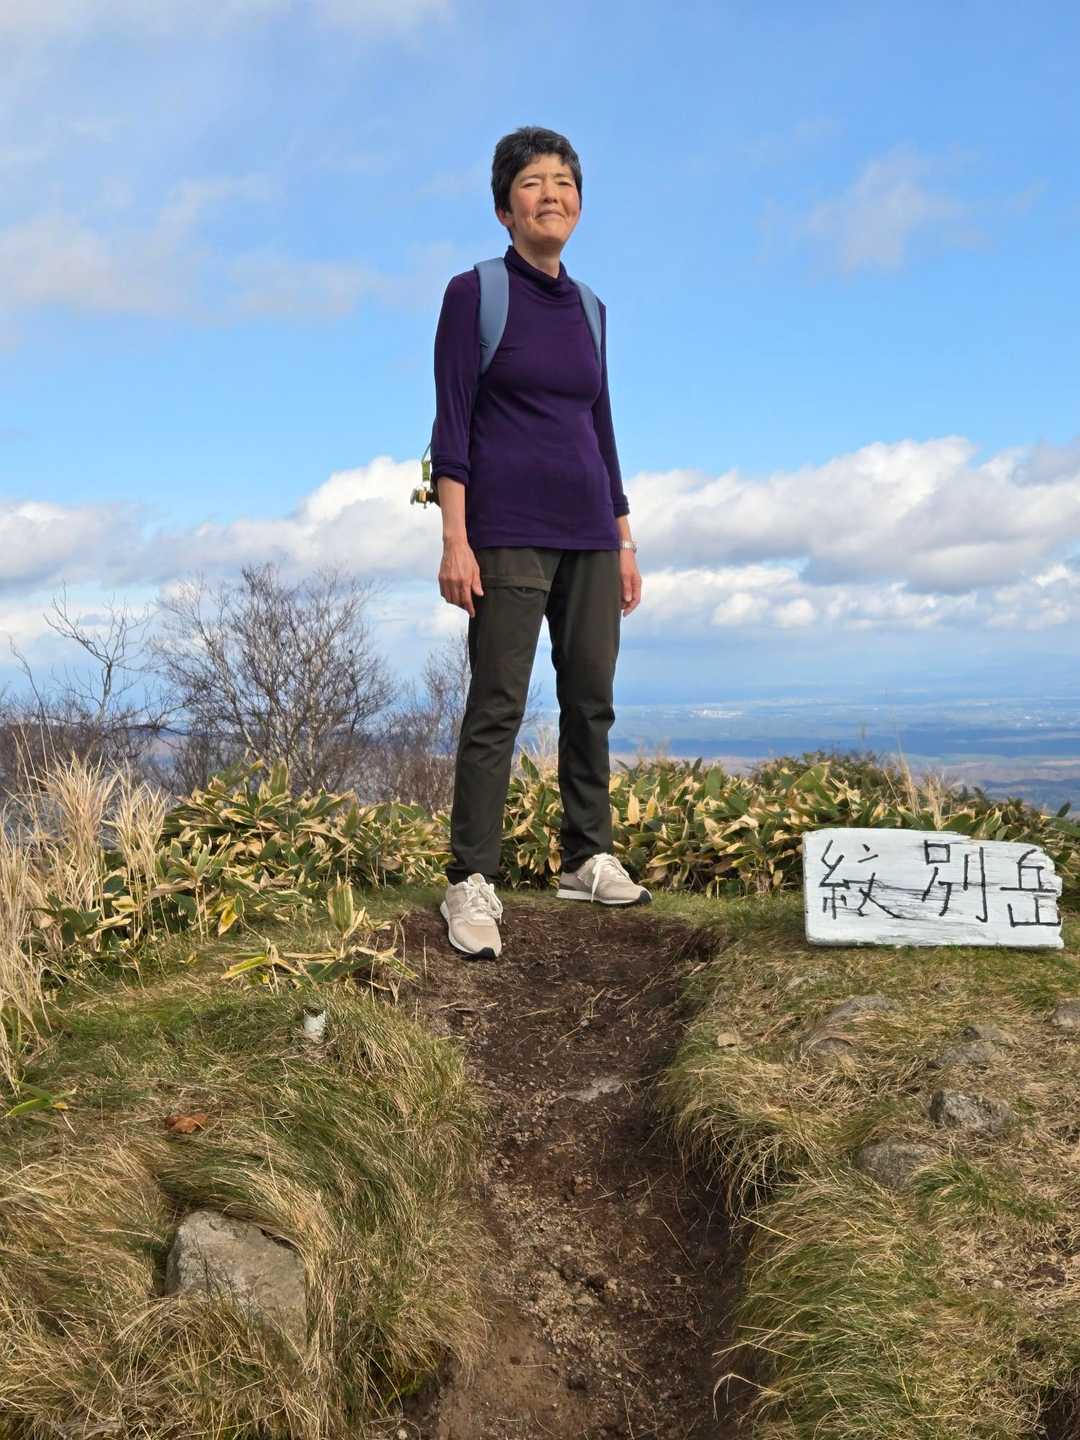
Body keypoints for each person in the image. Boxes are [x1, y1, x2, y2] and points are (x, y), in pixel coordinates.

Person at [431, 125, 648, 960]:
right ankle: (470, 879)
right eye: (532, 182)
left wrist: (623, 537)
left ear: (579, 204)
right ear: (504, 208)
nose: (550, 193)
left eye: (564, 181)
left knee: (591, 696)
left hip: (590, 532)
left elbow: (603, 427)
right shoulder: (474, 295)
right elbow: (452, 424)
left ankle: (586, 856)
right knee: (499, 703)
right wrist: (455, 539)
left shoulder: (591, 309)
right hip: (507, 533)